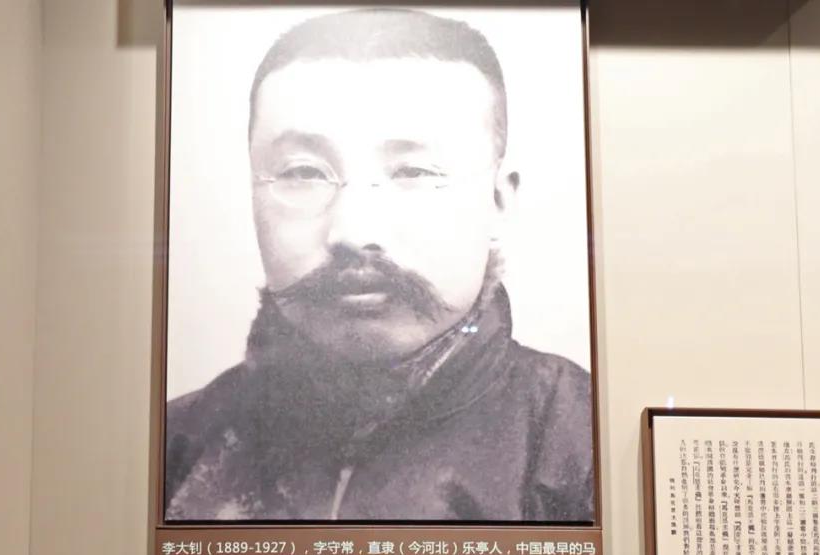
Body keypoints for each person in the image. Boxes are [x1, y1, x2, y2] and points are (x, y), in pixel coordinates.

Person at [164, 7, 595, 525]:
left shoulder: (579, 439)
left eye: (413, 171)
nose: (352, 230)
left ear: (499, 200)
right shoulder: (175, 447)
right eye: (304, 172)